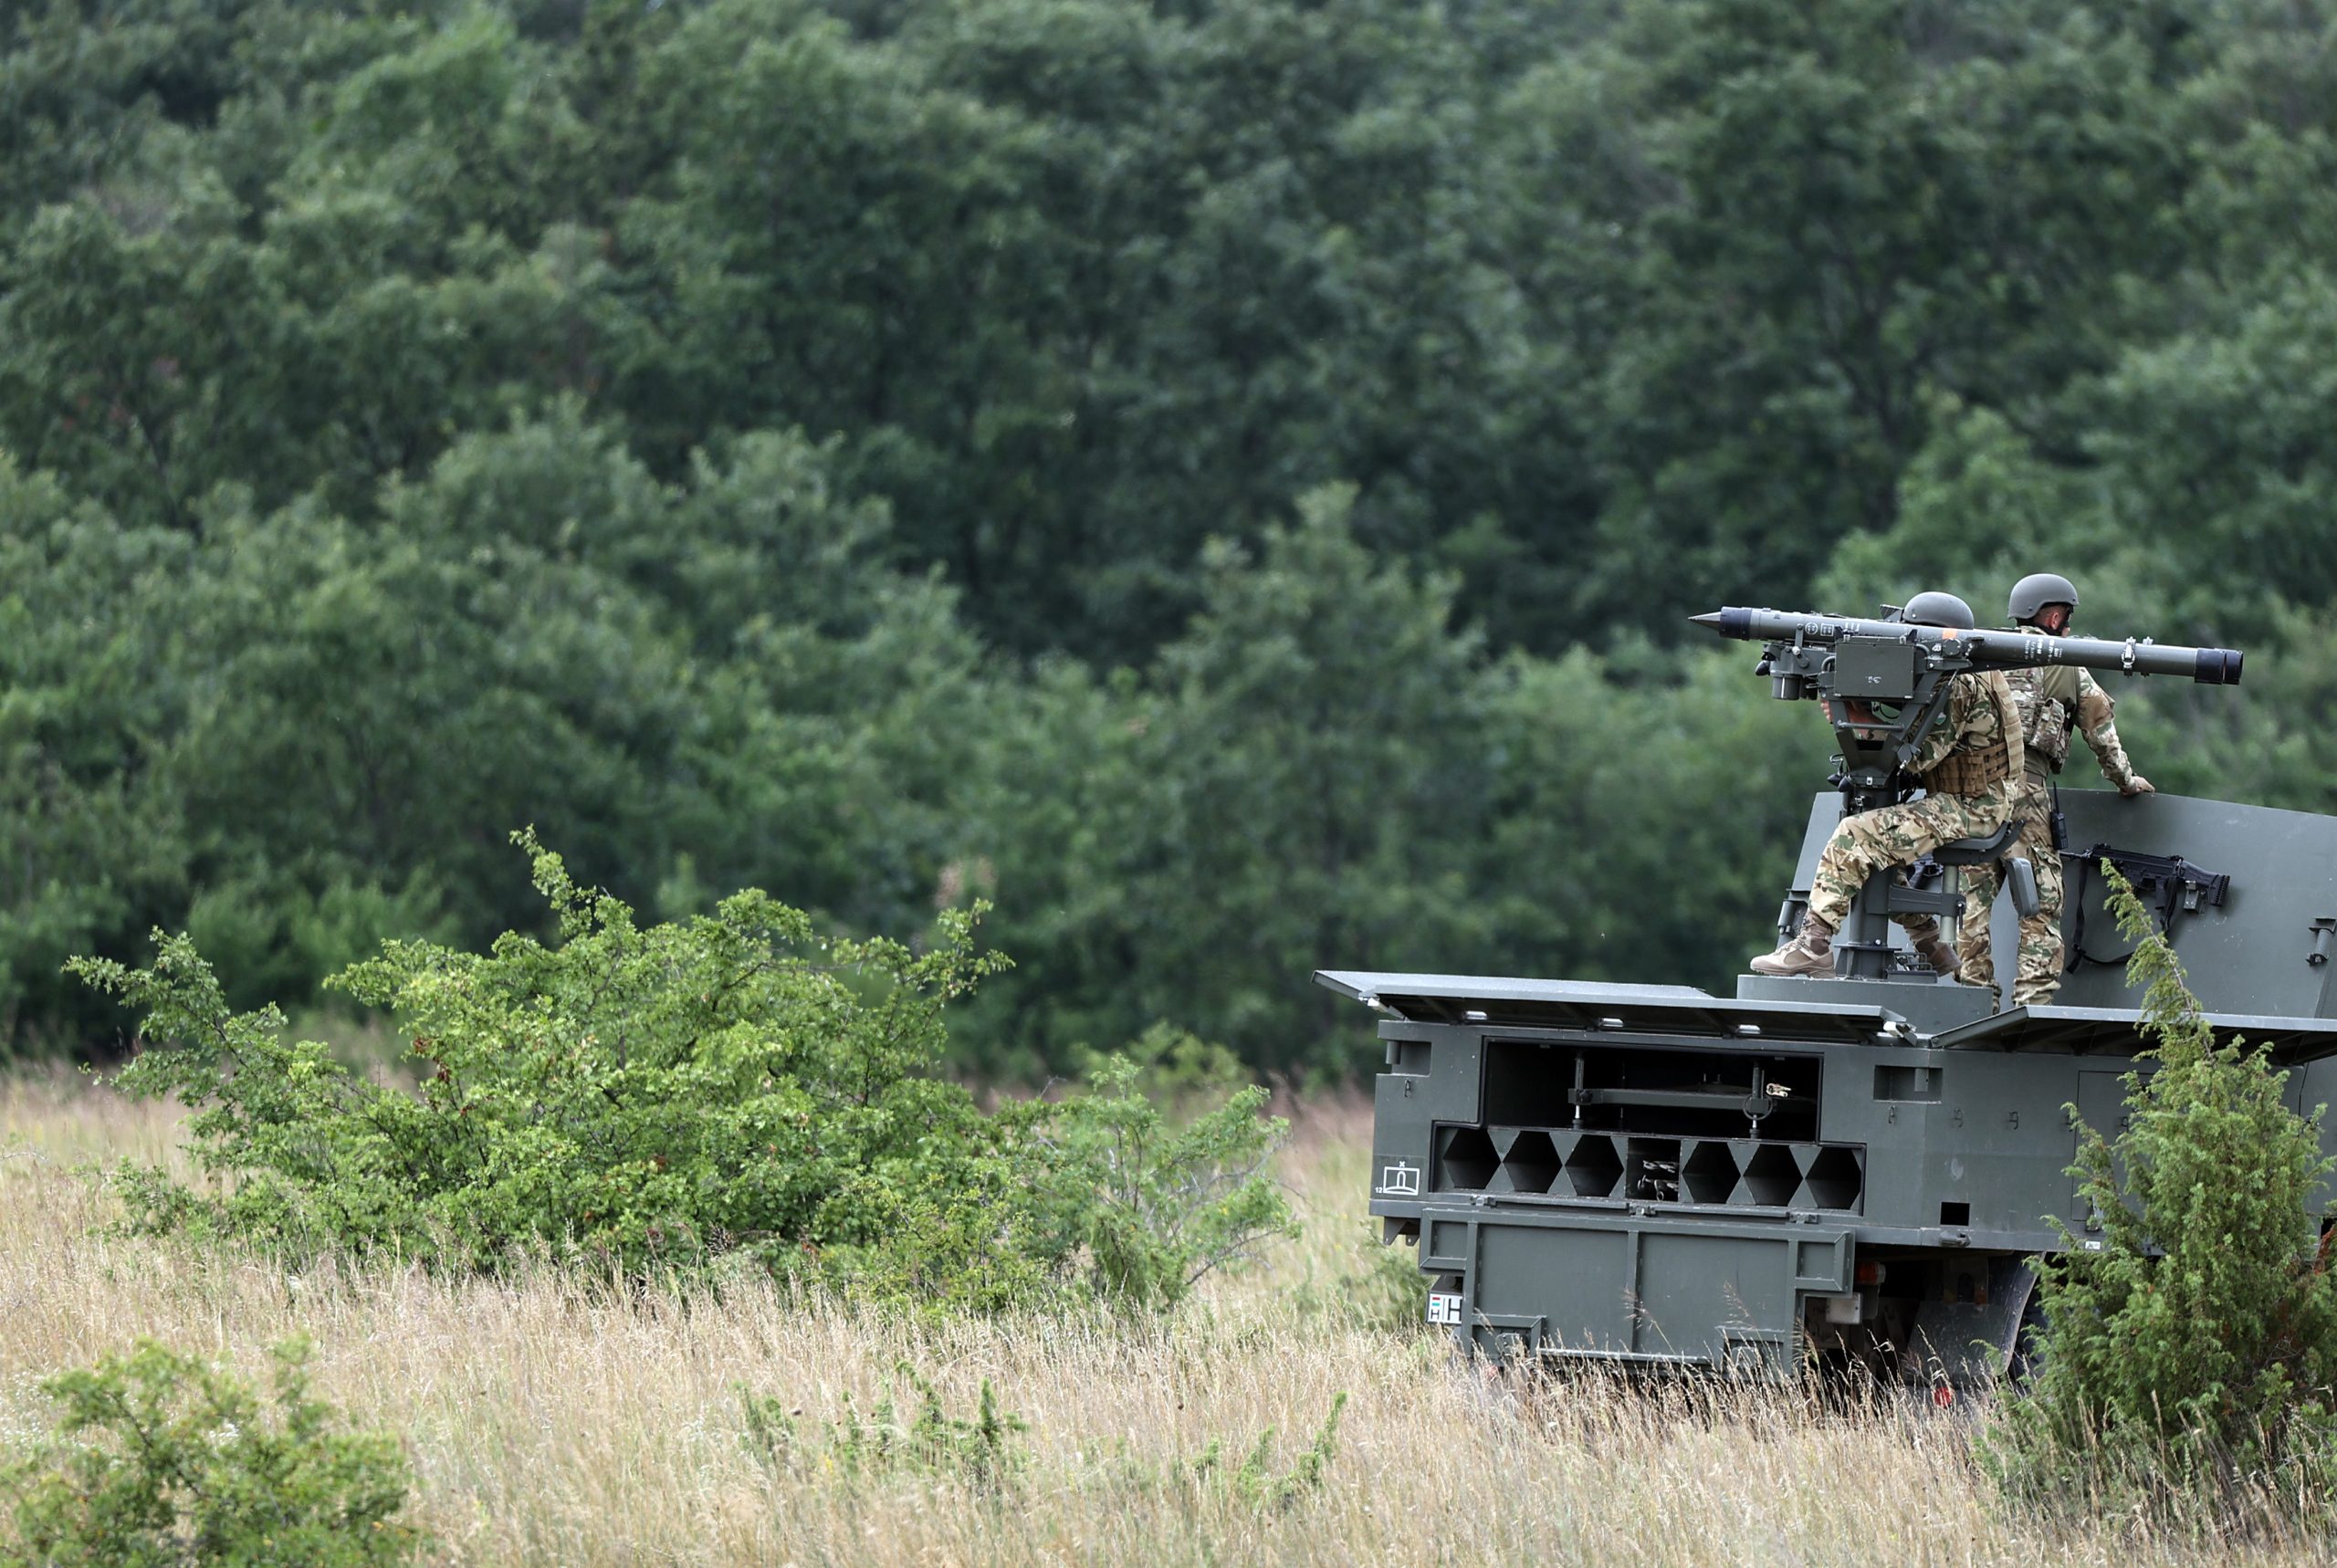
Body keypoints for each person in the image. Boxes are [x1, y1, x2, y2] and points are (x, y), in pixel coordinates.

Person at [1751, 592, 2020, 977]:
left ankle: (1813, 946)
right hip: (1974, 801)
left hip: (1974, 808)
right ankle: (1932, 944)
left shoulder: (1961, 682)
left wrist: (1859, 719)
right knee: (1879, 839)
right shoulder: (1970, 668)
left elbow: (1916, 755)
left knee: (1855, 834)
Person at [1954, 573, 2153, 1007]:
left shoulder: (1984, 655)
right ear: (2056, 616)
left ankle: (1970, 1002)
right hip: (2026, 791)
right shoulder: (2066, 662)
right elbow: (2101, 733)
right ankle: (2033, 1006)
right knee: (2041, 904)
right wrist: (2126, 780)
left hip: (1971, 793)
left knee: (1972, 904)